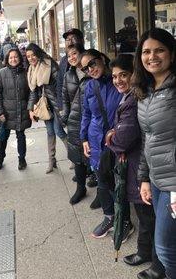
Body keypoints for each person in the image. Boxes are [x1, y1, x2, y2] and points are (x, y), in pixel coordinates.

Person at [106, 55, 165, 276]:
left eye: (123, 75)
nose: (118, 80)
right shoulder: (129, 96)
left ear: (134, 74)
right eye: (114, 76)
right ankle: (145, 252)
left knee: (149, 216)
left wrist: (110, 136)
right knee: (144, 215)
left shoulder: (133, 100)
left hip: (142, 167)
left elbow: (123, 139)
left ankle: (157, 266)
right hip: (136, 166)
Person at [133, 28, 176, 279]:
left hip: (174, 183)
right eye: (146, 51)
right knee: (167, 247)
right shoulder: (145, 90)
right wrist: (144, 178)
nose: (152, 56)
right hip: (159, 181)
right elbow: (147, 140)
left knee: (165, 248)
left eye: (159, 50)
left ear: (171, 52)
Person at [80, 49, 122, 238]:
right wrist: (84, 139)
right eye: (85, 68)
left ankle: (125, 220)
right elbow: (86, 114)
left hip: (117, 140)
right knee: (103, 182)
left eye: (92, 63)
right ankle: (109, 216)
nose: (90, 69)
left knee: (120, 183)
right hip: (96, 139)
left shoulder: (118, 81)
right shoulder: (90, 86)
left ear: (103, 59)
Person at [26, 43, 67, 174]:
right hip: (44, 106)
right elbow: (33, 91)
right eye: (28, 56)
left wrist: (61, 106)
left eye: (33, 55)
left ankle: (73, 158)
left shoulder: (49, 64)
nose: (31, 58)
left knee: (58, 131)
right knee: (50, 132)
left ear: (38, 53)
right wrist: (31, 109)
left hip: (55, 104)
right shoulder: (31, 69)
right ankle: (51, 161)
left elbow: (60, 85)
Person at [0, 48, 31, 170]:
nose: (13, 59)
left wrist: (30, 108)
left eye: (15, 57)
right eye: (10, 57)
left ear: (19, 58)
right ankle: (1, 157)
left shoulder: (26, 72)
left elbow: (31, 92)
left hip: (21, 111)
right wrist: (0, 112)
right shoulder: (1, 73)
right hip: (6, 113)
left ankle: (22, 159)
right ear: (7, 59)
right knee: (3, 137)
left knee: (21, 136)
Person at [62, 43, 89, 204]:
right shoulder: (68, 75)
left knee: (93, 155)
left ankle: (101, 191)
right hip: (74, 120)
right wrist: (65, 117)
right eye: (69, 55)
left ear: (81, 53)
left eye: (74, 53)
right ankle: (81, 188)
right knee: (77, 156)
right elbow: (64, 98)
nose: (72, 57)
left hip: (91, 120)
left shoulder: (90, 71)